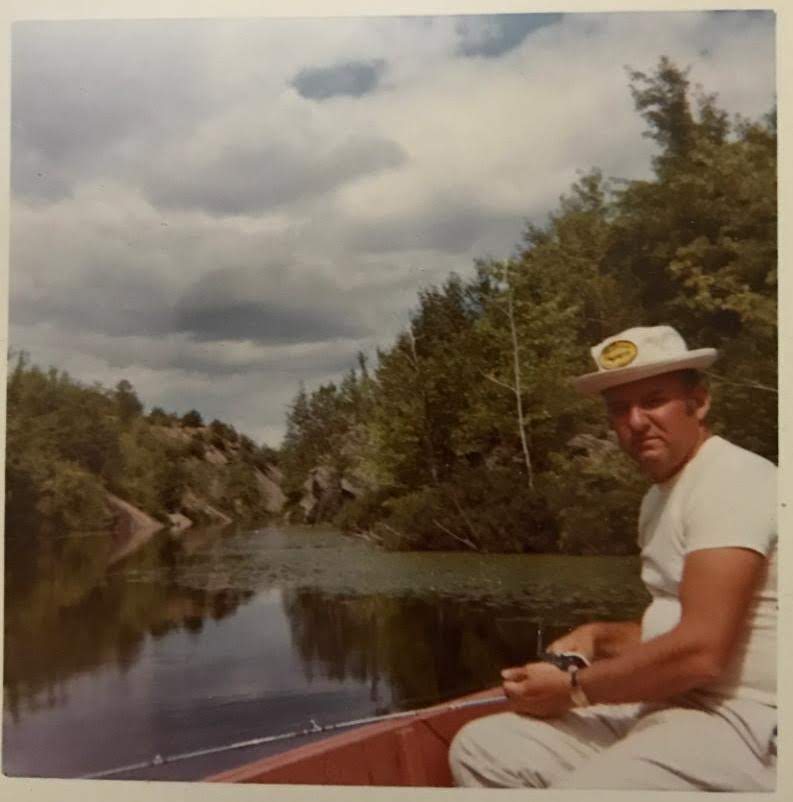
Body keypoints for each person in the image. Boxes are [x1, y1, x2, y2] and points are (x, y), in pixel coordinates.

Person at [449, 325, 777, 791]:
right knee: (484, 749)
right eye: (620, 408)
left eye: (654, 399)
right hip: (671, 706)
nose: (636, 421)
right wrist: (601, 637)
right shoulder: (660, 497)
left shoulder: (732, 480)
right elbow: (680, 624)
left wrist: (574, 689)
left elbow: (702, 651)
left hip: (747, 724)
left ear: (699, 402)